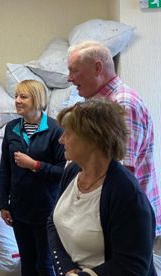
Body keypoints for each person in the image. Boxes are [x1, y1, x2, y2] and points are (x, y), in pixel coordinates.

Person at [48, 99, 158, 276]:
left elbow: (132, 268)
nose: (61, 139)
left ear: (91, 139)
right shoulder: (72, 172)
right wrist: (67, 269)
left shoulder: (126, 193)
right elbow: (53, 222)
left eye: (68, 133)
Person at [67, 40, 161, 235]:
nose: (69, 78)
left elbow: (121, 172)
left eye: (74, 71)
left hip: (129, 221)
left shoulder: (122, 105)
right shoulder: (100, 104)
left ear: (98, 68)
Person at [0, 79, 65, 276]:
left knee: (44, 263)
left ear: (37, 99)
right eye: (16, 96)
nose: (17, 100)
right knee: (27, 261)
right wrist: (3, 204)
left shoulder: (55, 129)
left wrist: (35, 165)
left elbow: (64, 172)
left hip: (46, 208)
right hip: (19, 208)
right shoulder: (12, 128)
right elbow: (5, 168)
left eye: (23, 96)